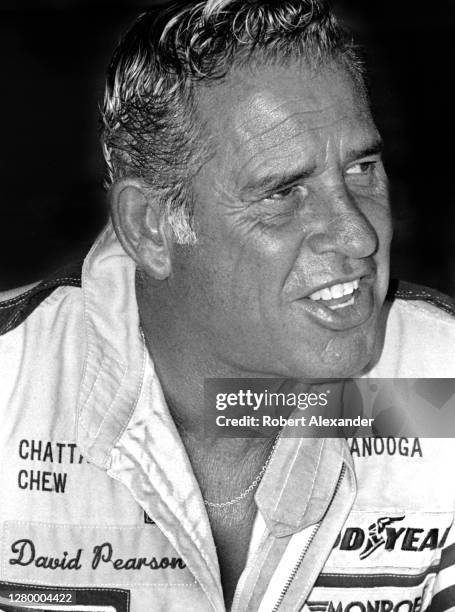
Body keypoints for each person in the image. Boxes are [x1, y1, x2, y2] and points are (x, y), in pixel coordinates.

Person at [1, 1, 455, 610]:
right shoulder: (13, 385)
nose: (358, 236)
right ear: (151, 228)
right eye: (284, 192)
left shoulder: (438, 384)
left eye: (363, 168)